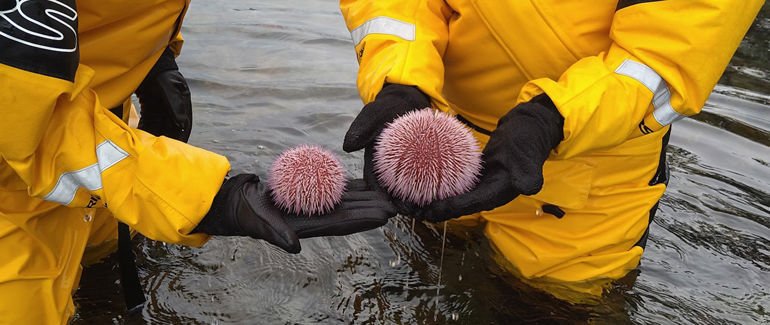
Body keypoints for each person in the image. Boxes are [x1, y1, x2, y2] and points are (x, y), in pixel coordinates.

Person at [0, 1, 397, 324]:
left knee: (106, 261)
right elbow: (21, 114)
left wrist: (152, 58)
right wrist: (210, 199)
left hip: (101, 126)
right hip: (13, 173)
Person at [339, 0, 763, 299]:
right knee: (427, 261)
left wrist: (551, 119)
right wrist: (401, 78)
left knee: (554, 305)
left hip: (594, 164)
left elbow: (668, 54)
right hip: (445, 136)